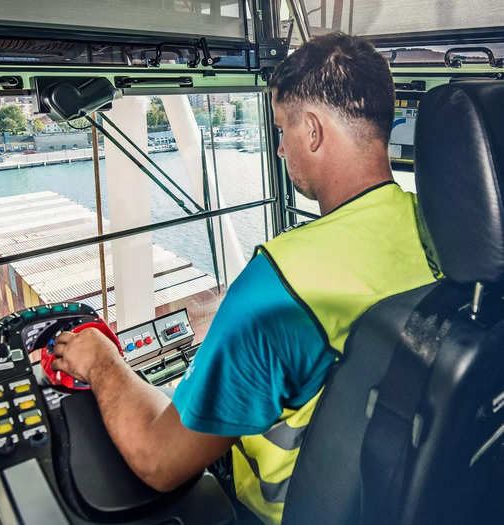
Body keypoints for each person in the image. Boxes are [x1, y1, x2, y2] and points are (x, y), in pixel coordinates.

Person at [51, 32, 437, 524]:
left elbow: (158, 459)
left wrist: (101, 359)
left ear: (314, 131)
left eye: (283, 129)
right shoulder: (445, 234)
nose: (279, 148)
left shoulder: (277, 285)